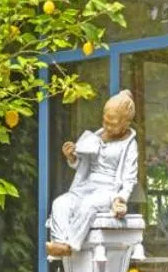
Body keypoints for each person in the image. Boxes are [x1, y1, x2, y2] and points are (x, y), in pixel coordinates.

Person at [47, 90, 139, 258]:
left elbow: (129, 178)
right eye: (105, 121)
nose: (107, 127)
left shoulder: (129, 145)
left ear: (126, 124)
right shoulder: (93, 137)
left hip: (107, 190)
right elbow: (83, 165)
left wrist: (121, 199)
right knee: (60, 203)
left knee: (88, 206)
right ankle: (59, 243)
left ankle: (70, 245)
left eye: (113, 124)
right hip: (85, 186)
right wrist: (72, 157)